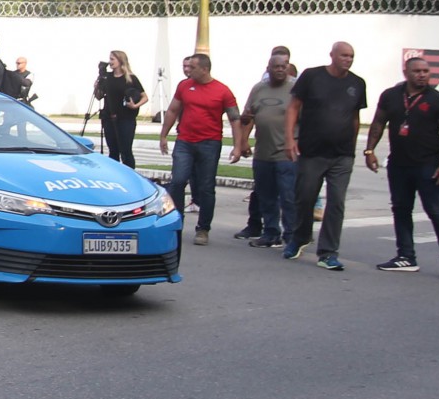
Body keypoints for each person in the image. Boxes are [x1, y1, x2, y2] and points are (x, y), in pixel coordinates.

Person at [365, 55, 439, 279]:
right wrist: (369, 150)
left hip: (429, 165)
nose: (422, 75)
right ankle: (406, 256)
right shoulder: (390, 96)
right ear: (406, 73)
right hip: (399, 165)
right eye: (417, 71)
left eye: (426, 71)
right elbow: (379, 122)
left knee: (437, 212)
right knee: (400, 210)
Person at [283, 41, 366, 270]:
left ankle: (328, 252)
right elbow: (293, 107)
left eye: (351, 56)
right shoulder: (312, 76)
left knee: (336, 202)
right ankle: (300, 238)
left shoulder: (357, 84)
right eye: (344, 55)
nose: (348, 60)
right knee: (305, 198)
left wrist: (353, 145)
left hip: (342, 154)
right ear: (332, 55)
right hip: (312, 151)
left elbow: (355, 117)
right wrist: (290, 139)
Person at [157, 52, 245, 246]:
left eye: (193, 67)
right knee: (178, 181)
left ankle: (203, 228)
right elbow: (172, 110)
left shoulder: (222, 91)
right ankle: (176, 221)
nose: (189, 70)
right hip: (185, 142)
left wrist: (238, 146)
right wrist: (164, 134)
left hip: (209, 143)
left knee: (206, 187)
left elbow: (235, 118)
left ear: (205, 69)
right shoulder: (184, 86)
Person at [238, 55, 298, 249]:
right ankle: (271, 233)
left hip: (287, 153)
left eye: (283, 66)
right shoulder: (258, 89)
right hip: (263, 152)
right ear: (269, 68)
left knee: (288, 196)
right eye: (276, 67)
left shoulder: (296, 89)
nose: (280, 70)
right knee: (266, 196)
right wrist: (243, 141)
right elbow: (248, 116)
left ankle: (292, 236)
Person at [94, 51, 146, 167]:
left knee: (126, 151)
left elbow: (144, 97)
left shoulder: (130, 78)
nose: (110, 62)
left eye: (113, 59)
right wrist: (96, 87)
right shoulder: (107, 77)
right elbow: (99, 96)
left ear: (120, 60)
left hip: (126, 119)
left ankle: (130, 175)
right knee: (113, 151)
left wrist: (135, 106)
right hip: (109, 117)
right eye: (110, 59)